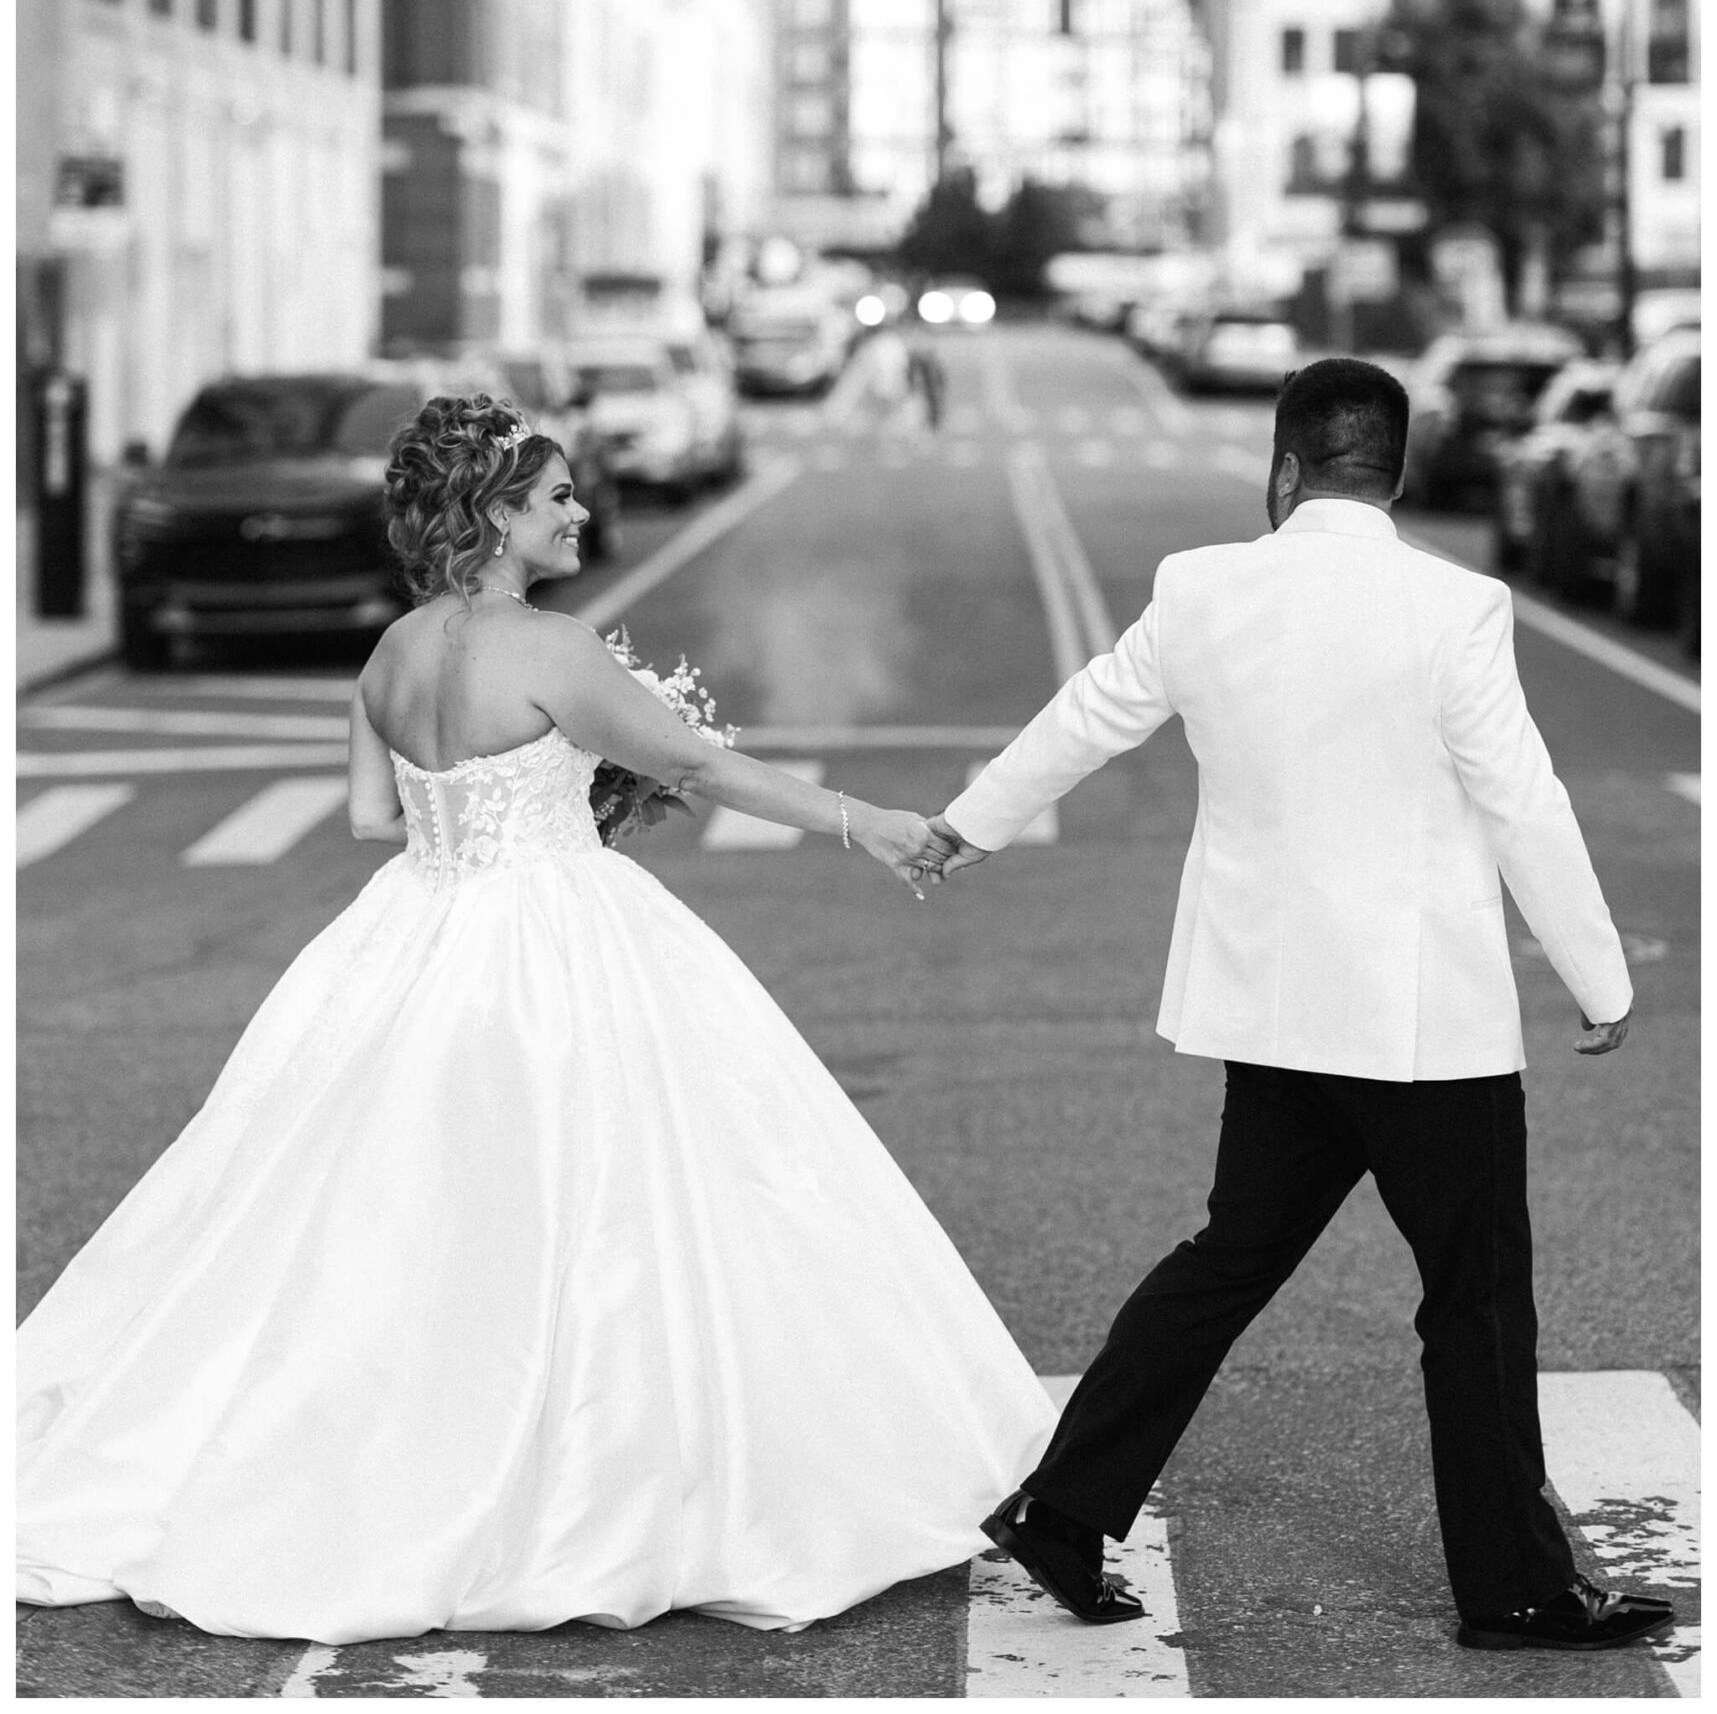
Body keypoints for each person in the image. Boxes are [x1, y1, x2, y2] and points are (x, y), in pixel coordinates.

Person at [18, 395, 1055, 1644]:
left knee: (394, 1210)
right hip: (552, 935)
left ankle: (389, 1447)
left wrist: (498, 805)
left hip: (413, 931)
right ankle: (594, 1474)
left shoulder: (389, 652)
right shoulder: (554, 649)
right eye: (555, 496)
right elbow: (702, 768)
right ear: (496, 515)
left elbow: (369, 820)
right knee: (616, 1196)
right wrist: (871, 823)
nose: (577, 513)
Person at [924, 358, 1673, 1656]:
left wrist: (965, 825)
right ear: (1392, 467)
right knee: (1477, 1298)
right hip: (1421, 1028)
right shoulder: (1453, 606)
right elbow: (1521, 797)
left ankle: (1064, 1504)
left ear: (1282, 468)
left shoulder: (1203, 590)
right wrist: (1595, 973)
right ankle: (1516, 1588)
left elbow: (1087, 716)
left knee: (1226, 1263)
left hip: (1276, 1015)